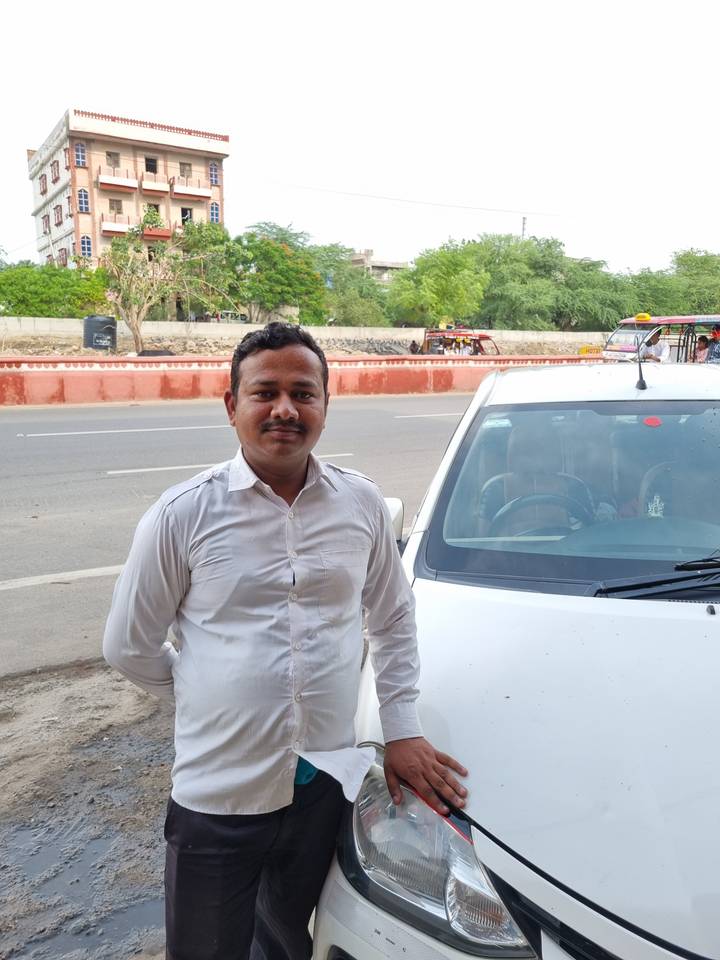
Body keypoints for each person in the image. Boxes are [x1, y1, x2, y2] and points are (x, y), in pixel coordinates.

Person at [103, 322, 468, 960]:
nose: (284, 410)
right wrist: (205, 690)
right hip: (220, 791)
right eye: (264, 392)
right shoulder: (183, 513)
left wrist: (402, 728)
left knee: (289, 939)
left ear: (326, 405)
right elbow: (129, 645)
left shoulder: (361, 506)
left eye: (303, 393)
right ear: (231, 406)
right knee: (207, 949)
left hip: (323, 783)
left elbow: (392, 620)